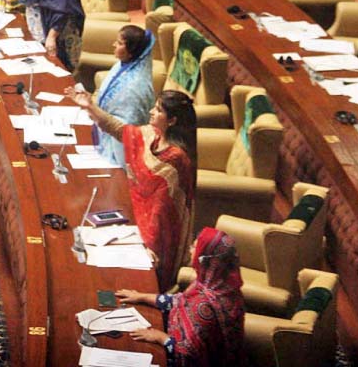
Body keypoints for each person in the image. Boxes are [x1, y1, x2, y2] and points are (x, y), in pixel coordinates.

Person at [67, 89, 196, 289]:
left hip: (158, 238)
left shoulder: (176, 159)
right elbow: (121, 130)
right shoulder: (150, 134)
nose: (152, 112)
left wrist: (150, 248)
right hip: (132, 216)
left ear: (172, 121)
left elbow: (163, 213)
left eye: (159, 110)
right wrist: (90, 107)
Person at [115, 228, 246, 367]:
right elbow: (180, 301)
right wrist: (141, 297)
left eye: (195, 247)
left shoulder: (205, 305)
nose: (190, 250)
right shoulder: (219, 285)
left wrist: (161, 338)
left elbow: (187, 356)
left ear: (206, 259)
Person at [87, 25, 155, 166]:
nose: (114, 45)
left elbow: (125, 128)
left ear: (131, 52)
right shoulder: (123, 64)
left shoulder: (134, 87)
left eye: (119, 43)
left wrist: (92, 108)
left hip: (119, 152)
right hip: (103, 130)